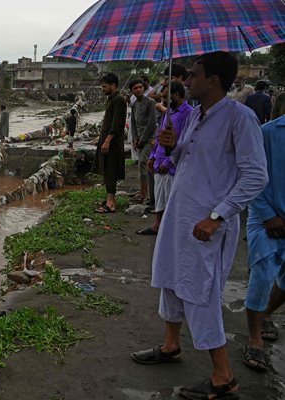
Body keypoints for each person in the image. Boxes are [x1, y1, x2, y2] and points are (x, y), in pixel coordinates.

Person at [130, 52, 268, 400]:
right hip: (181, 216)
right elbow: (184, 162)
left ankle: (223, 377)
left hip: (209, 225)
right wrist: (171, 147)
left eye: (193, 75)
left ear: (214, 80)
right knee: (171, 280)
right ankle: (171, 344)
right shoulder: (194, 117)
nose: (186, 81)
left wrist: (218, 216)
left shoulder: (240, 118)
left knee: (199, 292)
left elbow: (255, 176)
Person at [242, 94, 285, 372]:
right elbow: (249, 173)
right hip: (265, 216)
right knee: (261, 275)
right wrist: (268, 214)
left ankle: (266, 313)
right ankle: (254, 339)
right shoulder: (268, 133)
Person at [137, 82, 193, 236]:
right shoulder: (168, 112)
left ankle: (171, 229)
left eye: (164, 97)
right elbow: (159, 135)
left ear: (175, 95)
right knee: (160, 197)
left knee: (171, 200)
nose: (162, 101)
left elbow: (184, 141)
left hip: (173, 165)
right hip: (159, 160)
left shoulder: (189, 113)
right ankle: (157, 225)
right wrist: (153, 156)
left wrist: (169, 162)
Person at [93, 73, 126, 214]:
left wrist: (107, 141)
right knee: (106, 170)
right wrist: (100, 138)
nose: (102, 89)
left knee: (111, 170)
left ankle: (111, 203)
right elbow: (108, 122)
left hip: (112, 143)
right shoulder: (111, 99)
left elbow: (117, 124)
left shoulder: (119, 100)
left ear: (113, 86)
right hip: (107, 140)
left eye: (104, 86)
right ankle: (109, 198)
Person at [129, 78, 157, 205]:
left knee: (143, 163)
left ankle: (146, 193)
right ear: (132, 91)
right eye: (135, 88)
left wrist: (142, 140)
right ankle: (143, 191)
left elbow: (152, 124)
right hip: (139, 139)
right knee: (143, 166)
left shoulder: (150, 102)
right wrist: (135, 138)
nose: (139, 89)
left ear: (144, 88)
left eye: (140, 87)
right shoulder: (134, 104)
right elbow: (133, 124)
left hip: (149, 139)